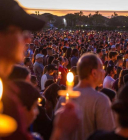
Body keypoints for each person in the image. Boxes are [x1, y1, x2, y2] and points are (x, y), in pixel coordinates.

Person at [0, 0, 45, 139]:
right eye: (21, 31)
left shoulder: (10, 91)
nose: (28, 39)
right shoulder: (8, 100)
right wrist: (61, 131)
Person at [56, 53, 115, 140]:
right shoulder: (100, 100)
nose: (104, 72)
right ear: (94, 73)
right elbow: (108, 134)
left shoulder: (63, 98)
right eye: (102, 69)